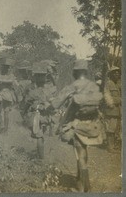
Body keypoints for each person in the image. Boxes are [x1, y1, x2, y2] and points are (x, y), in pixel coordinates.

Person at [50, 60, 103, 192]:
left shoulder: (72, 87)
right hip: (92, 125)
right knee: (84, 153)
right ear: (86, 72)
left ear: (75, 72)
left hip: (78, 125)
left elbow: (56, 104)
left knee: (80, 155)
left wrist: (49, 108)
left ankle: (83, 187)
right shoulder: (94, 86)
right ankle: (83, 181)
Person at [24, 62, 57, 159]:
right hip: (46, 116)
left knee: (39, 136)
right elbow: (53, 96)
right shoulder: (48, 91)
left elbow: (26, 103)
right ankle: (40, 153)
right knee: (42, 134)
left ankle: (40, 157)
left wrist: (25, 112)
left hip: (36, 116)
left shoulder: (32, 92)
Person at [0, 57, 18, 134]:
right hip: (7, 95)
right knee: (6, 112)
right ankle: (5, 129)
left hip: (0, 95)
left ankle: (2, 126)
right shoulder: (11, 76)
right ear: (8, 69)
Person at [103, 66, 121, 152]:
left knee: (115, 129)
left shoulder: (118, 84)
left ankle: (112, 145)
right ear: (111, 74)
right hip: (111, 110)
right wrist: (115, 102)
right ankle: (110, 147)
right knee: (110, 129)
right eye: (115, 73)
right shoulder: (108, 83)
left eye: (118, 72)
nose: (117, 74)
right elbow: (106, 96)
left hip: (117, 111)